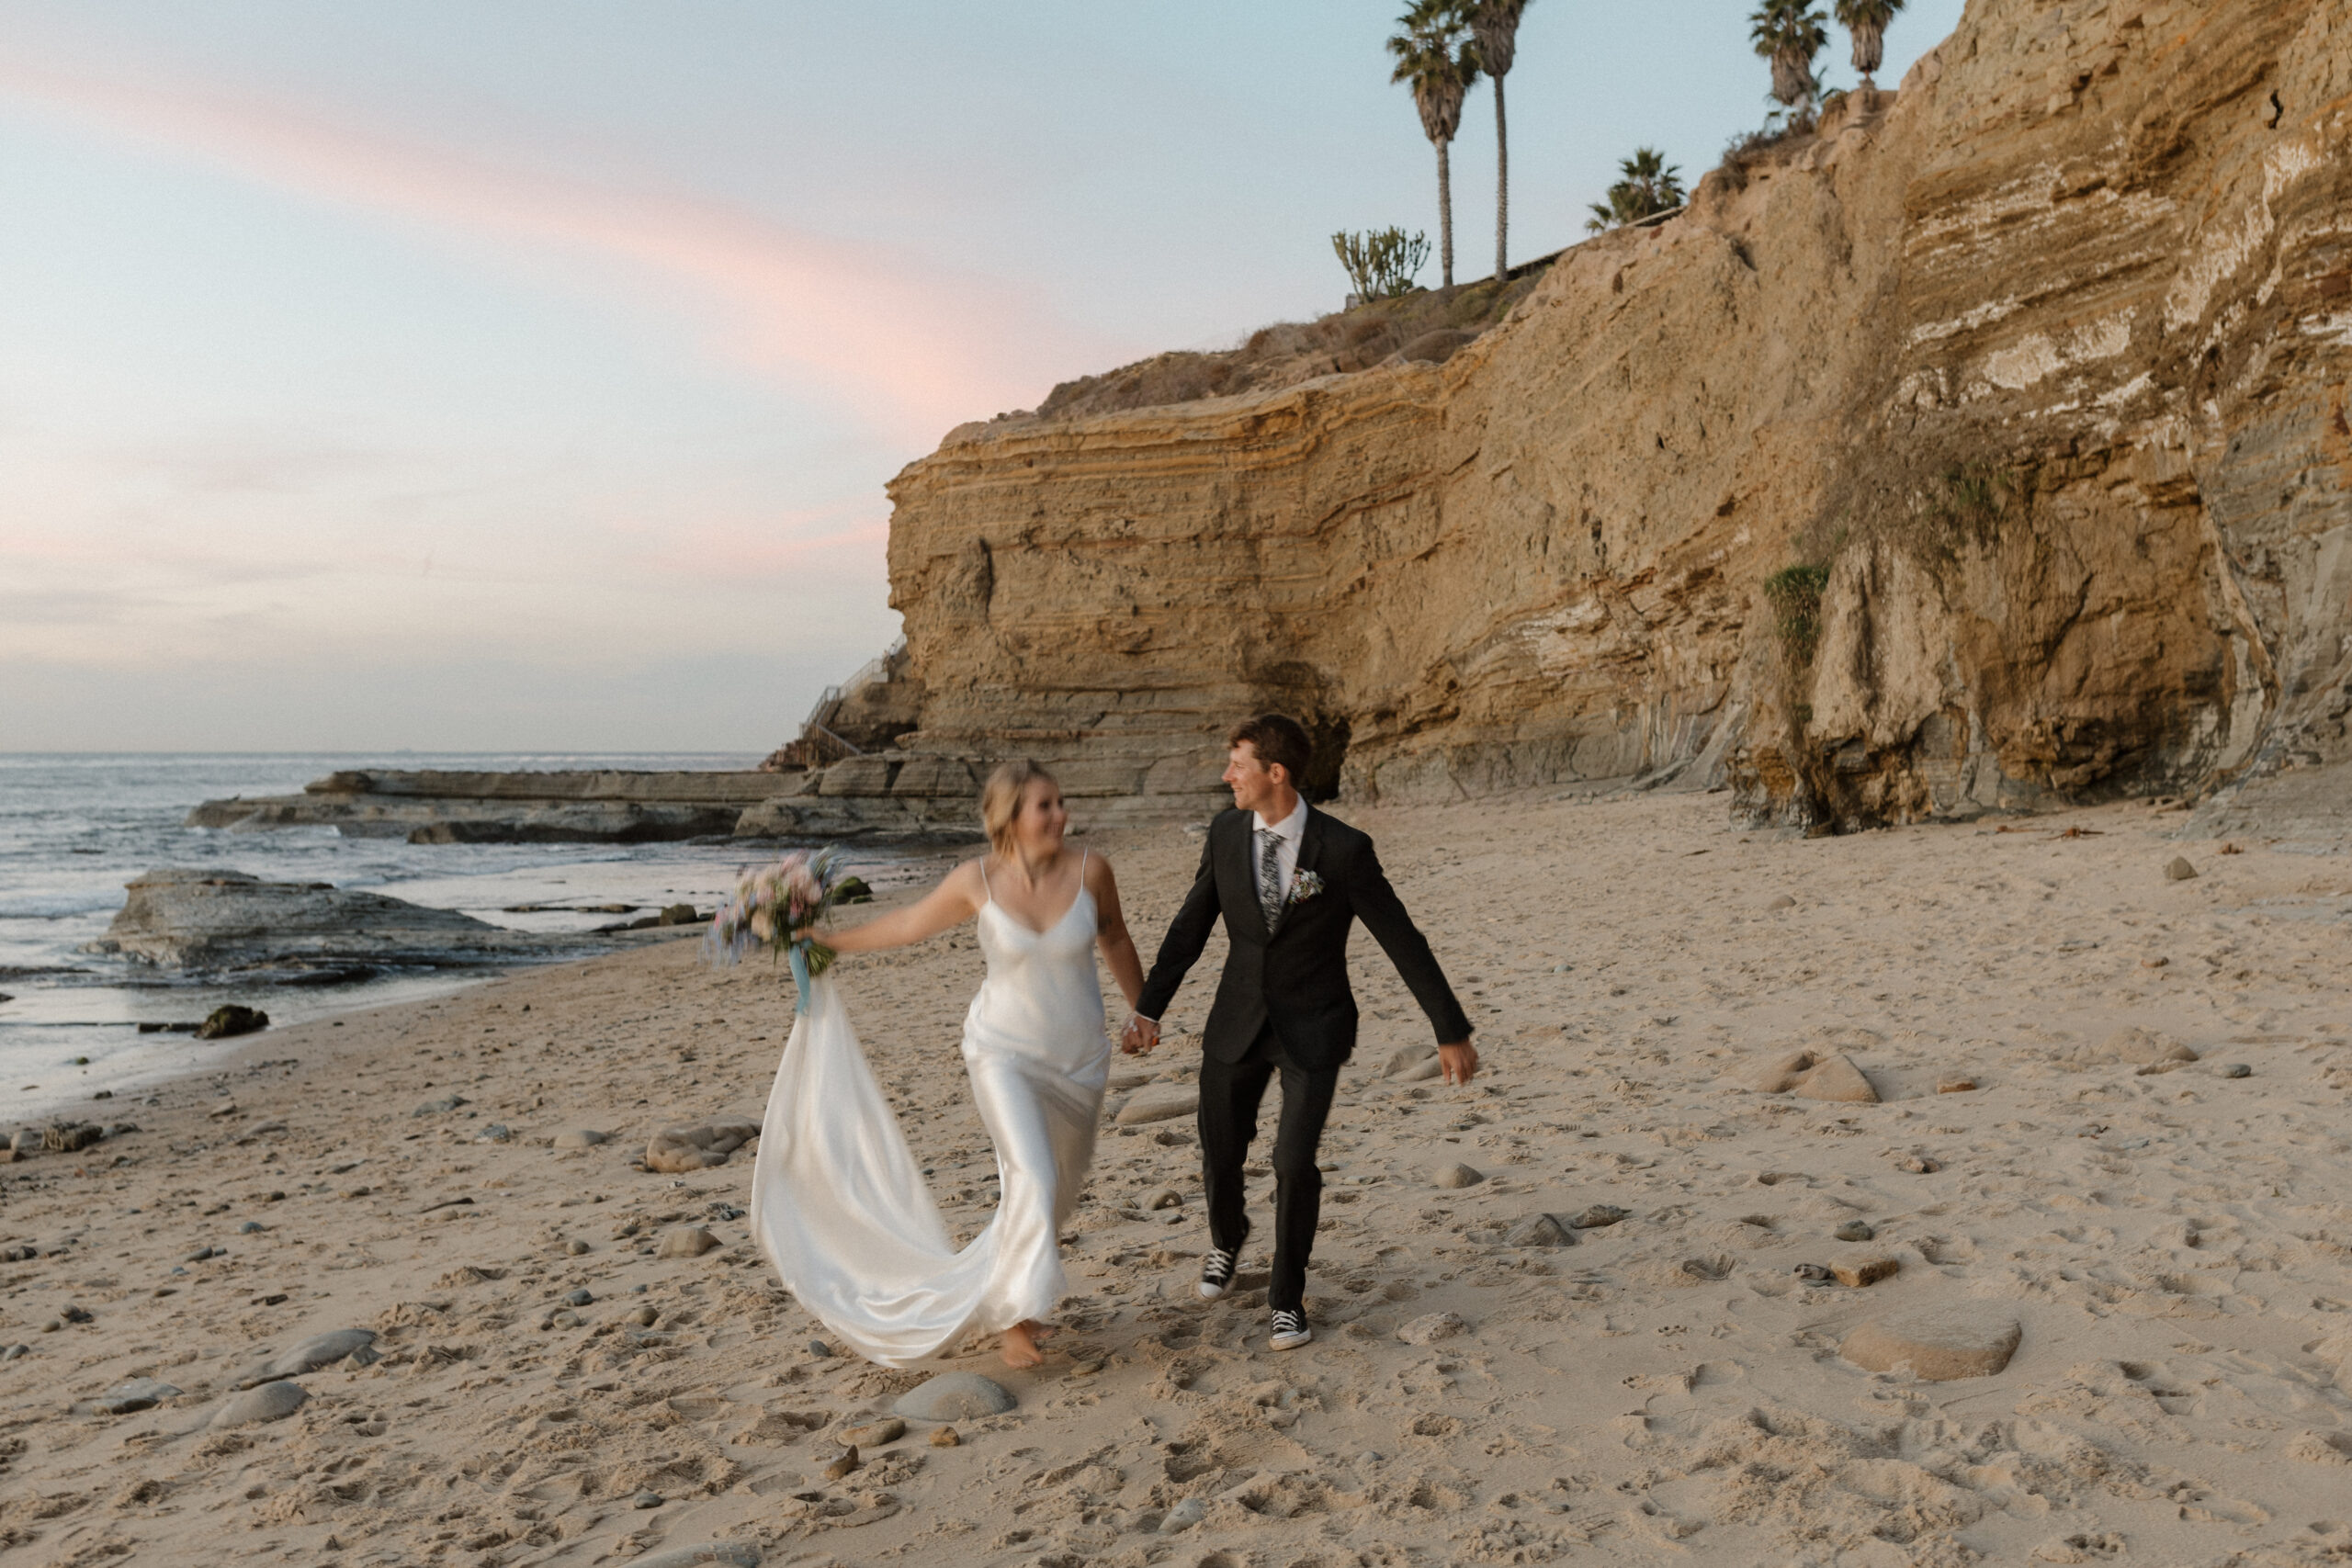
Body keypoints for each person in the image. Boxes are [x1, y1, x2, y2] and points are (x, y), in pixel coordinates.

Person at [745, 760, 1146, 1370]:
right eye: (1046, 805)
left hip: (1081, 1059)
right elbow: (908, 924)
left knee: (1053, 1194)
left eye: (1061, 802)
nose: (1062, 815)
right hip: (1001, 1051)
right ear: (1010, 817)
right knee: (1031, 1176)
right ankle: (1015, 1319)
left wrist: (1144, 1011)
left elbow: (1114, 938)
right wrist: (830, 941)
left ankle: (1022, 1305)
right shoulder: (975, 879)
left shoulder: (1093, 871)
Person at [1123, 715, 1476, 1351]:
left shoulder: (1343, 849)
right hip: (1234, 1022)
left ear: (1274, 773)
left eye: (1238, 764)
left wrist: (1448, 1027)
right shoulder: (1227, 832)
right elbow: (1189, 927)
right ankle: (1227, 1240)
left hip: (1313, 1026)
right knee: (1221, 1150)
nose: (1226, 775)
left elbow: (1401, 938)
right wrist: (1149, 1009)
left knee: (1292, 1161)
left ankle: (1287, 1298)